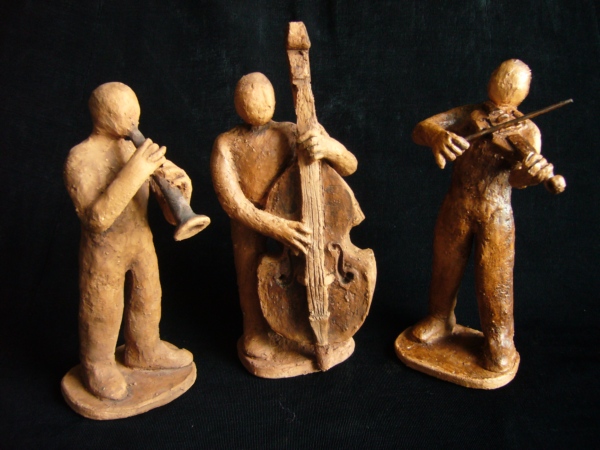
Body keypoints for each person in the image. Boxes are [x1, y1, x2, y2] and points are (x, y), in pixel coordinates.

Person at [410, 59, 555, 373]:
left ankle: (499, 338)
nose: (504, 86)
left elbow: (516, 178)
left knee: (494, 277)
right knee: (446, 262)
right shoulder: (470, 113)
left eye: (513, 83)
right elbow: (421, 128)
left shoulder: (528, 130)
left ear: (525, 92)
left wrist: (531, 175)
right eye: (500, 77)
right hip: (457, 202)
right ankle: (439, 318)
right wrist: (438, 137)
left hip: (496, 211)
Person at [211, 72, 358, 367]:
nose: (258, 107)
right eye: (249, 101)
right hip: (251, 217)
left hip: (292, 208)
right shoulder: (226, 144)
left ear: (275, 101)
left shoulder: (292, 132)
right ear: (237, 105)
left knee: (306, 264)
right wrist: (274, 226)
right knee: (248, 263)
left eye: (264, 100)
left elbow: (350, 165)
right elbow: (233, 204)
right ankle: (255, 328)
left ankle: (303, 320)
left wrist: (330, 148)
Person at [64, 82, 193, 400]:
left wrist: (179, 189)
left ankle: (145, 349)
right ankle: (98, 363)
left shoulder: (133, 151)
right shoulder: (80, 158)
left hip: (140, 242)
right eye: (125, 114)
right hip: (104, 253)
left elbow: (168, 213)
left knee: (148, 297)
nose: (133, 121)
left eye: (136, 113)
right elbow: (97, 219)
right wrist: (136, 170)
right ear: (102, 114)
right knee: (102, 308)